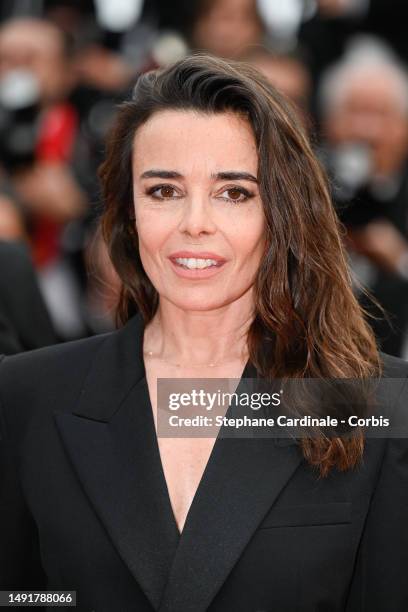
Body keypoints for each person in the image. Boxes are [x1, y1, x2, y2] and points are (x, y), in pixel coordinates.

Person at [0, 54, 407, 612]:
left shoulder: (371, 403)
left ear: (282, 214)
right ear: (129, 212)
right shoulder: (27, 395)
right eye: (164, 190)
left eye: (233, 192)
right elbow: (22, 595)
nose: (195, 222)